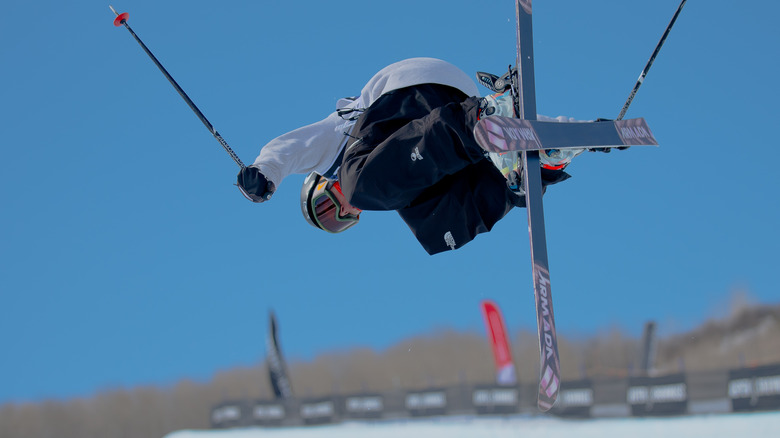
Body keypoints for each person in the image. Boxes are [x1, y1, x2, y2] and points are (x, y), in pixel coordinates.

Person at [237, 58, 595, 255]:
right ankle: (529, 167)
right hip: (443, 123)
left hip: (411, 92)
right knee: (438, 230)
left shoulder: (332, 149)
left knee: (363, 185)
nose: (346, 211)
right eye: (341, 221)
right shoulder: (386, 185)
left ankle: (480, 122)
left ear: (321, 183)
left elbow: (289, 149)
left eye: (328, 208)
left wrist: (264, 174)